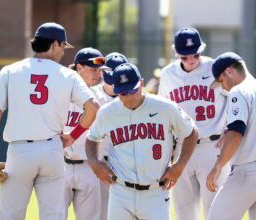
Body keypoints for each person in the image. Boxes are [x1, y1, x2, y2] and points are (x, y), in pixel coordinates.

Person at [0, 22, 99, 220]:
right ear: (54, 44)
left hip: (20, 151)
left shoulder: (10, 71)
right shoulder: (67, 75)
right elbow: (93, 108)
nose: (64, 52)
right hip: (53, 150)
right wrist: (72, 137)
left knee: (8, 216)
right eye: (63, 46)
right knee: (52, 216)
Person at [85, 63, 199, 220]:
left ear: (142, 84)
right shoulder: (107, 113)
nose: (129, 96)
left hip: (156, 193)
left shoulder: (164, 107)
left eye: (133, 89)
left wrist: (179, 166)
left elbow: (191, 132)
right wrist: (93, 162)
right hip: (120, 192)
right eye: (123, 92)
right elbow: (91, 138)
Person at [158, 27, 230, 220]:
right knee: (184, 213)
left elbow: (235, 98)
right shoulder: (168, 74)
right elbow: (163, 112)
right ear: (176, 54)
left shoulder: (215, 67)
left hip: (212, 146)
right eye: (185, 57)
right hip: (182, 149)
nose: (191, 60)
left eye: (195, 54)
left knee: (216, 211)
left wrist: (231, 129)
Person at [206, 52, 256, 220]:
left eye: (220, 81)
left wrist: (218, 166)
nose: (223, 87)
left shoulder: (239, 91)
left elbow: (236, 133)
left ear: (229, 71)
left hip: (249, 172)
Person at [62, 47, 106, 220]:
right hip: (61, 165)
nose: (98, 74)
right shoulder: (60, 93)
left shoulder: (101, 99)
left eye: (100, 70)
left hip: (89, 166)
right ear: (79, 67)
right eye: (93, 69)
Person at [90, 52, 127, 220]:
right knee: (100, 215)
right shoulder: (89, 94)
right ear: (102, 73)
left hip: (125, 163)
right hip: (99, 162)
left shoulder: (131, 95)